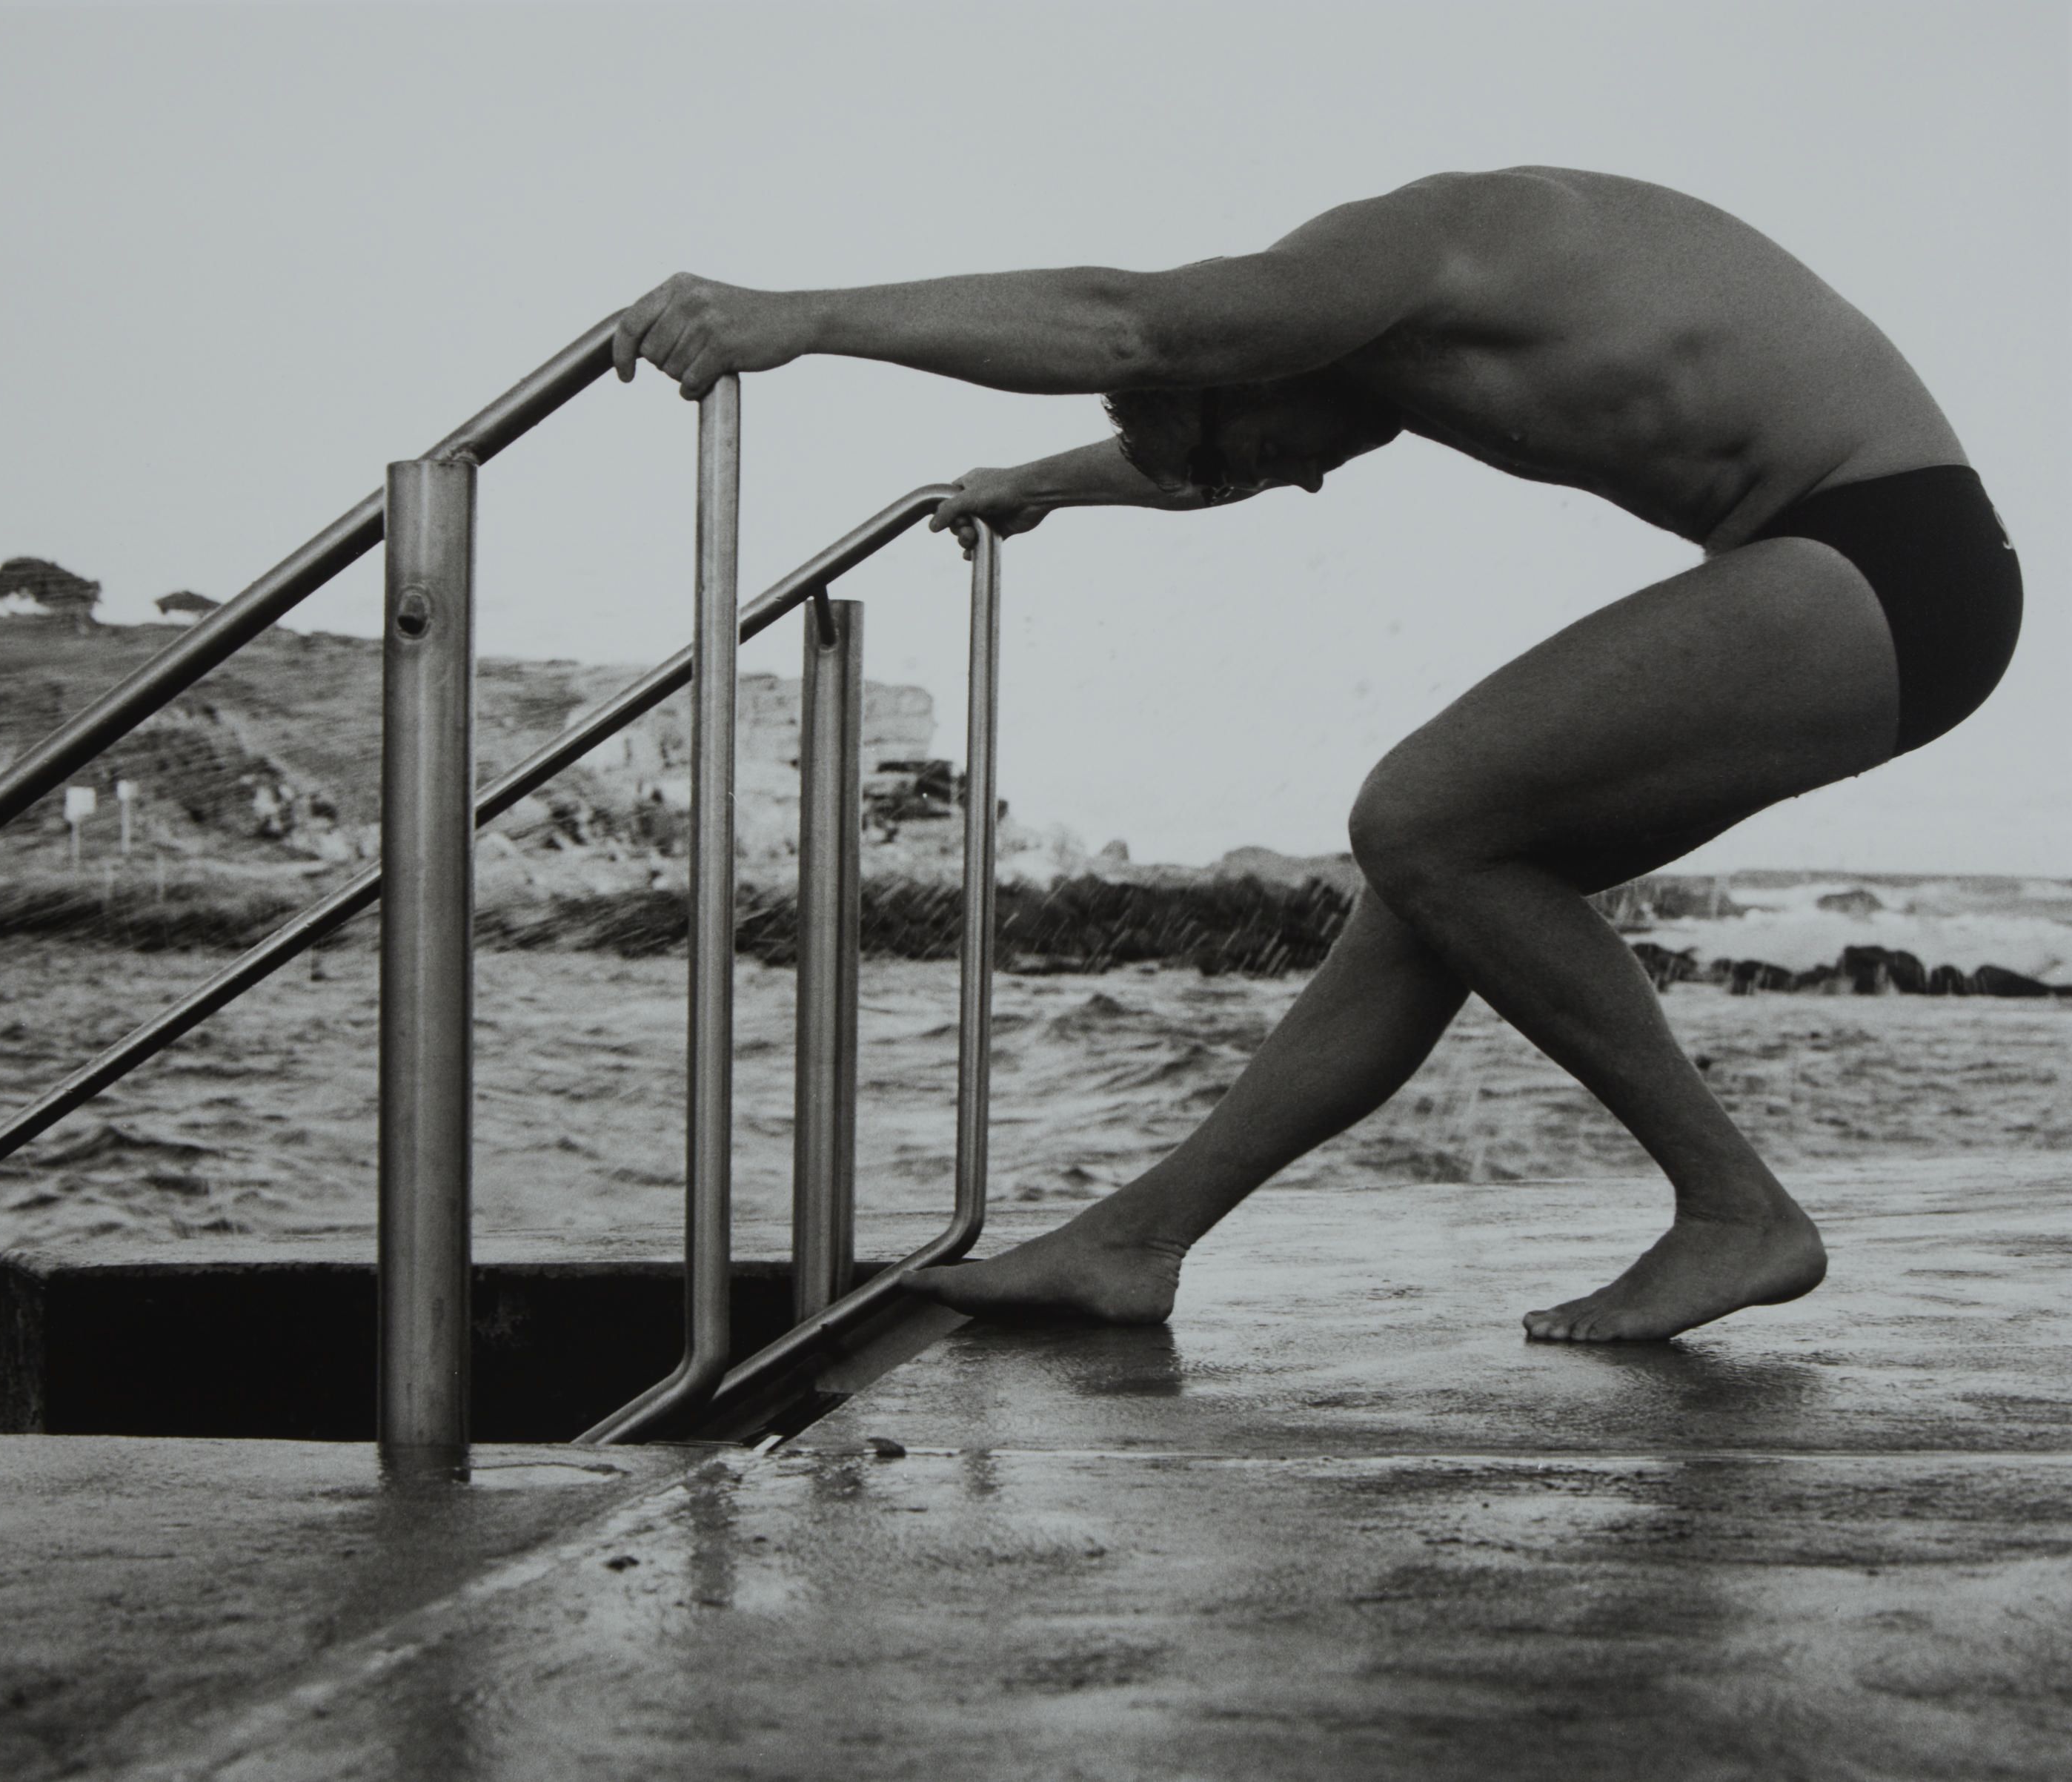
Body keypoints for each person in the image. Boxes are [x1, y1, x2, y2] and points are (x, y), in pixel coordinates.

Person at [612, 166, 2021, 1342]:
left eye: (1256, 461)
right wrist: (1036, 484)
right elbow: (1195, 401)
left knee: (1419, 815)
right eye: (1255, 482)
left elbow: (1130, 327)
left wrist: (798, 317)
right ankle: (1139, 1242)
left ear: (1254, 368)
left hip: (1885, 557)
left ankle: (1736, 1209)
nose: (1289, 481)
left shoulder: (1390, 254)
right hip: (1886, 573)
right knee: (1428, 893)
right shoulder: (1371, 356)